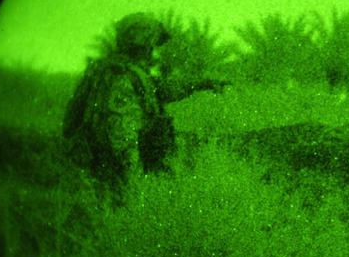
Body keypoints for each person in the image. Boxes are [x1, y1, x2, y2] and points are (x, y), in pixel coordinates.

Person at [63, 12, 228, 204]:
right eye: (153, 44)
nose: (156, 51)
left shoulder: (115, 71)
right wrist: (136, 184)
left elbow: (162, 89)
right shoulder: (123, 77)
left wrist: (202, 83)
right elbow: (121, 136)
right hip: (114, 175)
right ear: (143, 44)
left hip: (95, 167)